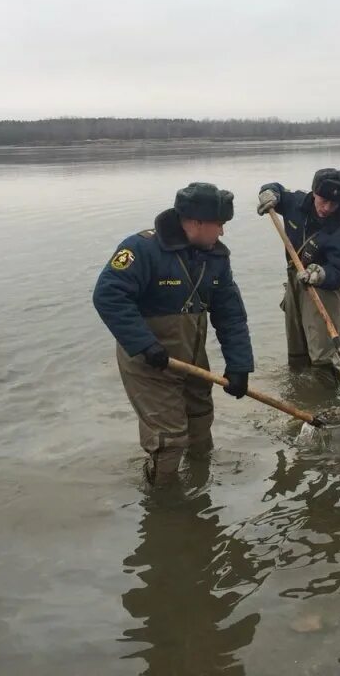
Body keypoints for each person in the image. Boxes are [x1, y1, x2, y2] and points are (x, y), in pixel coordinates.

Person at [93, 182, 254, 485]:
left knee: (200, 426)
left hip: (192, 358)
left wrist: (240, 365)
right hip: (149, 361)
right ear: (195, 222)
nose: (222, 232)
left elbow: (230, 314)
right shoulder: (140, 249)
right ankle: (163, 499)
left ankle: (199, 496)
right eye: (218, 224)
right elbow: (108, 296)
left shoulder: (216, 258)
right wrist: (144, 344)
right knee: (169, 440)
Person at [257, 168, 340, 386]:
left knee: (322, 356)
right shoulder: (296, 203)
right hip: (295, 279)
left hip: (324, 287)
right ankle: (298, 394)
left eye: (334, 204)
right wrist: (269, 193)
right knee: (297, 350)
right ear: (314, 193)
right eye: (323, 201)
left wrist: (320, 274)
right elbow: (277, 190)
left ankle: (326, 401)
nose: (327, 208)